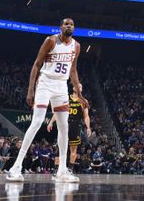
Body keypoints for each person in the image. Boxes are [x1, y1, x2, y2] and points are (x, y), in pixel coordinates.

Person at [6, 18, 87, 183]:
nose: (69, 26)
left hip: (61, 86)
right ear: (60, 27)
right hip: (45, 82)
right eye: (66, 24)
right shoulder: (50, 40)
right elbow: (36, 65)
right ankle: (16, 167)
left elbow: (73, 70)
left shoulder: (76, 46)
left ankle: (62, 170)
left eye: (71, 24)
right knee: (36, 122)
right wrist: (31, 90)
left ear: (74, 28)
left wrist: (79, 94)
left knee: (64, 127)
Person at [48, 84, 91, 174]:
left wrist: (88, 127)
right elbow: (58, 111)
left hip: (75, 125)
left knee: (73, 149)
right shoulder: (66, 98)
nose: (80, 88)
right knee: (60, 148)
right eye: (78, 86)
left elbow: (86, 116)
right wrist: (51, 122)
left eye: (81, 87)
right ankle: (56, 170)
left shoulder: (83, 101)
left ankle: (70, 169)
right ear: (73, 88)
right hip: (64, 123)